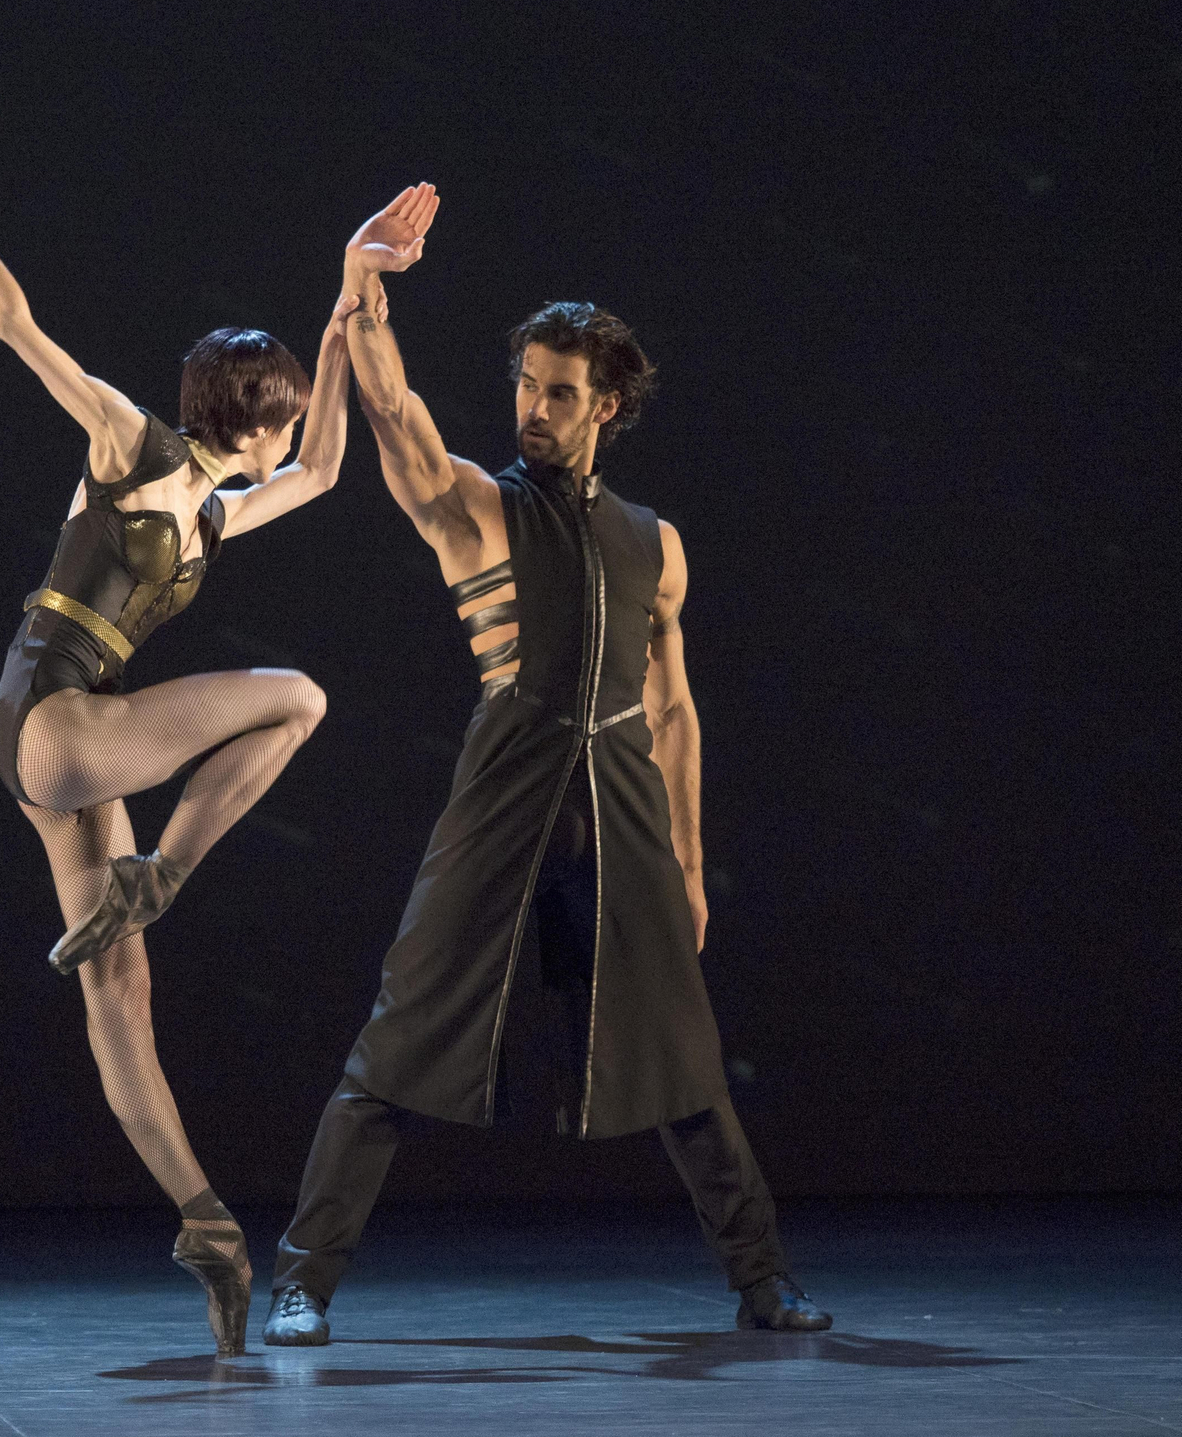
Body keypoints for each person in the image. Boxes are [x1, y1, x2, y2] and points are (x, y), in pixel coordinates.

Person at [265, 185, 831, 1345]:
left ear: (605, 406)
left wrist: (686, 859)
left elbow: (671, 709)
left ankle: (763, 1280)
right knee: (403, 1028)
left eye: (557, 391)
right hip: (509, 780)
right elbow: (392, 414)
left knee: (682, 1052)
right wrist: (358, 283)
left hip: (618, 804)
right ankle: (301, 1282)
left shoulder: (655, 545)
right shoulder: (477, 508)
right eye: (524, 382)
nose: (531, 404)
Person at [0, 93, 373, 1358]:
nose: (286, 427)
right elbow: (12, 325)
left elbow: (328, 469)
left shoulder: (220, 506)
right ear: (254, 408)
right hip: (59, 717)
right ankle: (158, 873)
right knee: (297, 695)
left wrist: (350, 301)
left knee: (119, 996)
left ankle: (207, 1227)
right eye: (280, 404)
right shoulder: (134, 446)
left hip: (57, 745)